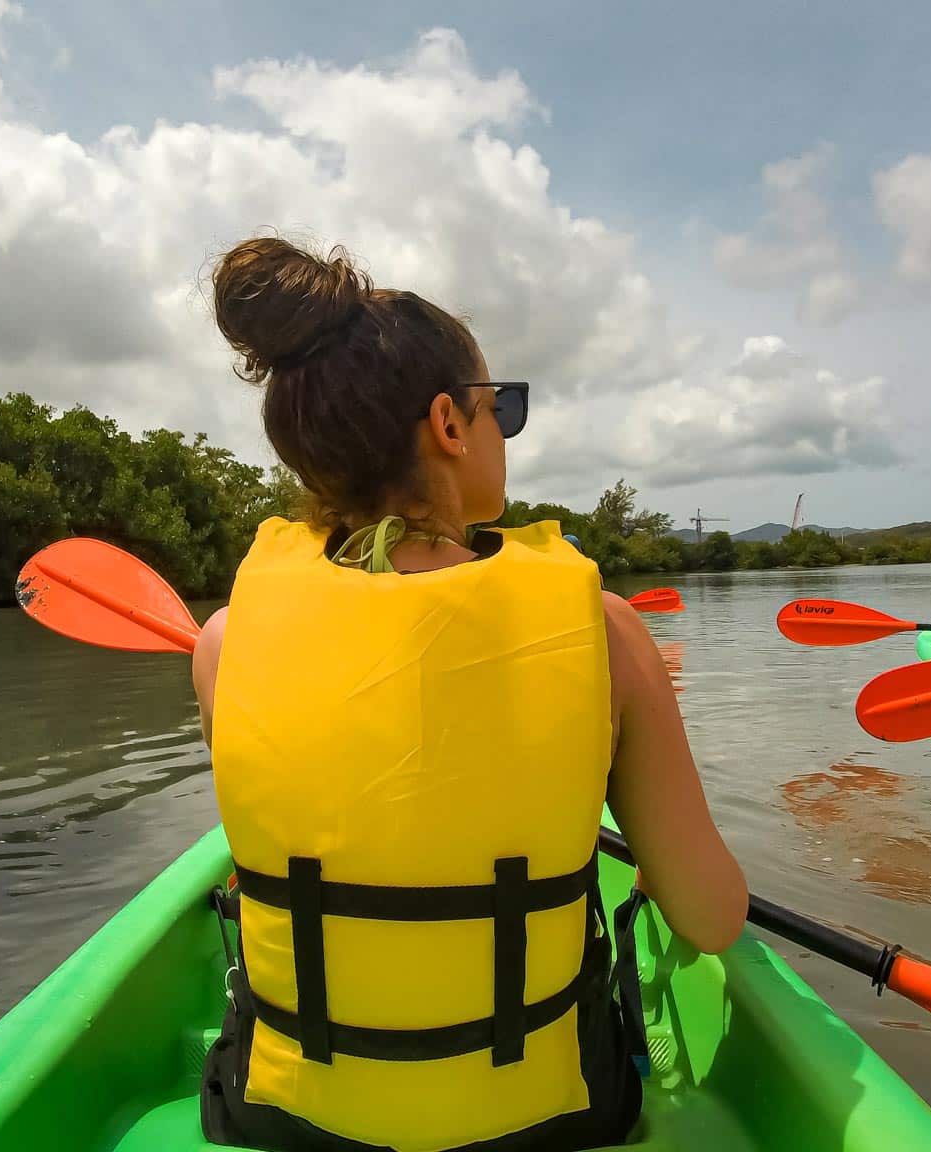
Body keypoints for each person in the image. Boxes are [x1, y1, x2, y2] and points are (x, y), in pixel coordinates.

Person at [187, 237, 747, 1152]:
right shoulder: (605, 633)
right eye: (502, 409)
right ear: (449, 424)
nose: (503, 432)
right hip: (544, 1116)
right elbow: (713, 918)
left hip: (294, 1116)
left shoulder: (222, 644)